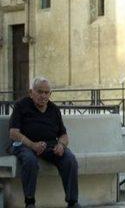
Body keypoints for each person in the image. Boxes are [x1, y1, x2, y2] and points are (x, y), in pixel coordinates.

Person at [9, 77, 80, 208]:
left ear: (50, 94)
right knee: (30, 161)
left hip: (50, 145)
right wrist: (32, 145)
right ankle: (30, 202)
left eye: (46, 92)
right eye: (39, 91)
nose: (43, 95)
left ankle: (72, 202)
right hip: (25, 145)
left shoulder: (54, 110)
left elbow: (63, 135)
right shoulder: (21, 106)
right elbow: (13, 133)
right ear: (31, 92)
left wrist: (61, 145)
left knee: (69, 159)